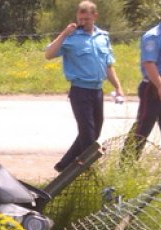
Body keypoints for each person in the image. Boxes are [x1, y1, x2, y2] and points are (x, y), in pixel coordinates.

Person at [45, 1, 124, 172]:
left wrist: (118, 87)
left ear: (95, 16)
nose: (83, 22)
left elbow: (108, 65)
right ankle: (90, 173)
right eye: (80, 18)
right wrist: (64, 34)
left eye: (87, 18)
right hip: (80, 92)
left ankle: (64, 165)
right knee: (88, 136)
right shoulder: (71, 38)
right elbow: (49, 54)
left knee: (94, 132)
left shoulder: (102, 37)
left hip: (97, 91)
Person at [123, 9, 161, 160]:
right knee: (143, 125)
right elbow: (149, 64)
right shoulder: (153, 36)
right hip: (153, 87)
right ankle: (127, 164)